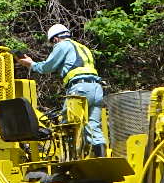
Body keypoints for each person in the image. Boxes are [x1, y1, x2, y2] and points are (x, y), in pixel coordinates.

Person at [17, 24, 107, 155]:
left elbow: (47, 67)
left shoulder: (62, 45)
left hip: (79, 88)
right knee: (93, 127)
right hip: (96, 89)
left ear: (55, 39)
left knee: (67, 125)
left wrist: (31, 64)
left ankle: (70, 160)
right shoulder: (83, 47)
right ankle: (101, 159)